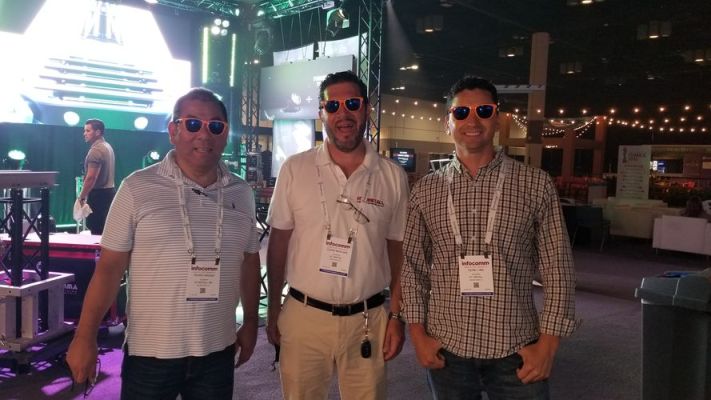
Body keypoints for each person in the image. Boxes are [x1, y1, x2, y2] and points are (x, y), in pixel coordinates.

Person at [66, 88, 261, 399]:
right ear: (174, 131)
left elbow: (250, 259)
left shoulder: (241, 193)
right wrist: (85, 336)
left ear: (225, 134)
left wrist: (251, 320)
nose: (204, 134)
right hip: (151, 354)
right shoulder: (137, 188)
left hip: (217, 351)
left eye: (216, 126)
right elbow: (109, 268)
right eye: (193, 124)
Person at [401, 76, 577, 399]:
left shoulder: (535, 184)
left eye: (483, 110)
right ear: (448, 122)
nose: (472, 120)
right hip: (447, 348)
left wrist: (549, 344)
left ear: (497, 118)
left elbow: (558, 267)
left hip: (516, 348)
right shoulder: (425, 191)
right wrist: (417, 334)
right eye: (461, 112)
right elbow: (412, 267)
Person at [266, 70, 409, 400]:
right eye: (333, 106)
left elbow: (399, 250)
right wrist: (274, 307)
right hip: (304, 316)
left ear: (367, 109)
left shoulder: (392, 176)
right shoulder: (295, 169)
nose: (343, 114)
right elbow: (278, 244)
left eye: (353, 104)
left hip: (368, 319)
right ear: (321, 113)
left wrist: (398, 315)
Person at [78, 118, 115, 234]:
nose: (85, 134)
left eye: (88, 131)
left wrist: (81, 197)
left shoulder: (96, 150)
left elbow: (91, 178)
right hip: (109, 193)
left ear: (98, 132)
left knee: (97, 231)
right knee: (105, 231)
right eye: (85, 131)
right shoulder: (107, 146)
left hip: (99, 196)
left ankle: (98, 253)